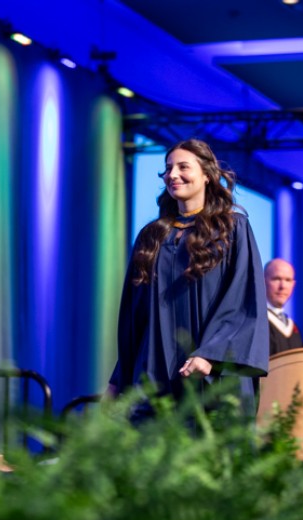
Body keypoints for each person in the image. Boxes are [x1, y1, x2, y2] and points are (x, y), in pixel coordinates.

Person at [108, 139, 269, 421]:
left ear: (207, 175)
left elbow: (242, 301)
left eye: (183, 167)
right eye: (168, 168)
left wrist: (211, 354)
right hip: (155, 372)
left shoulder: (231, 228)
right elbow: (135, 318)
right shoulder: (153, 236)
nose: (173, 174)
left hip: (210, 374)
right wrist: (119, 378)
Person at [264, 258, 303, 356]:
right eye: (276, 279)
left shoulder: (293, 328)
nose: (283, 286)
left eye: (288, 280)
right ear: (262, 281)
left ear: (293, 285)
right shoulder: (253, 321)